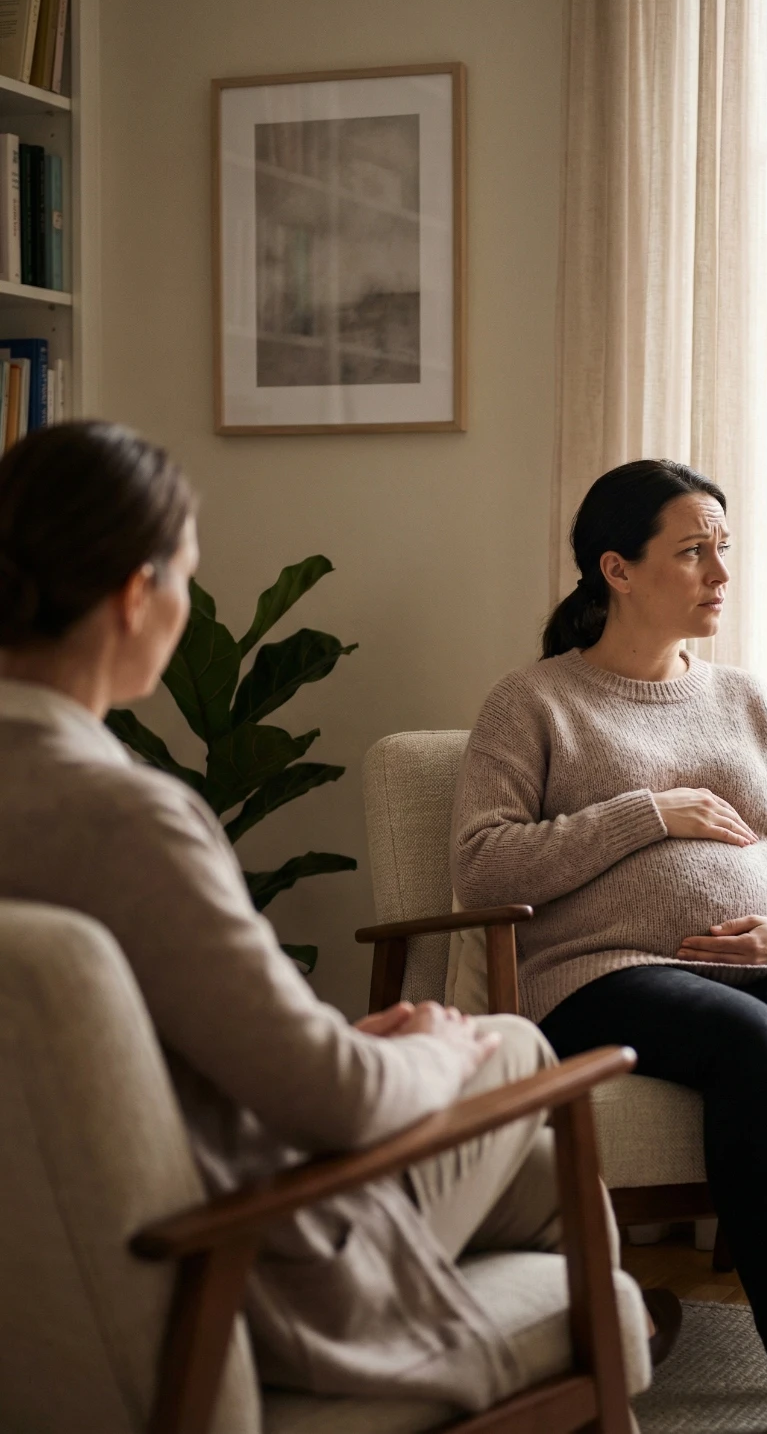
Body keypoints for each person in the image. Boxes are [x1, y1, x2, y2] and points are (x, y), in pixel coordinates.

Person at [0, 420, 605, 1412]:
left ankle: (594, 1325)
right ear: (133, 596)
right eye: (186, 577)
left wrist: (345, 1040)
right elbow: (336, 1102)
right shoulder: (125, 820)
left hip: (55, 1265)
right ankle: (599, 1353)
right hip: (234, 1268)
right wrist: (438, 1050)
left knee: (532, 1166)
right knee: (514, 1054)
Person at [452, 460, 767, 1434]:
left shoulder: (748, 701)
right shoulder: (535, 702)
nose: (719, 571)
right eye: (691, 551)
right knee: (744, 1044)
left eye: (724, 548)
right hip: (604, 975)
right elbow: (483, 867)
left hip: (761, 964)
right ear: (617, 570)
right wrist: (647, 813)